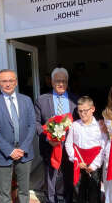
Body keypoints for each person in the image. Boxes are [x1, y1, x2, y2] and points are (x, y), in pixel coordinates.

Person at [0, 69, 36, 203]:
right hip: (3, 153)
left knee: (24, 190)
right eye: (4, 81)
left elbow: (32, 126)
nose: (7, 84)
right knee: (4, 192)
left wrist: (23, 148)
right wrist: (10, 150)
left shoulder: (26, 100)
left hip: (24, 152)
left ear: (16, 82)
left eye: (10, 81)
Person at [35, 67, 79, 203]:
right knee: (50, 179)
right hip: (50, 146)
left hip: (69, 147)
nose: (61, 84)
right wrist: (48, 138)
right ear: (52, 82)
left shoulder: (76, 100)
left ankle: (68, 200)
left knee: (68, 178)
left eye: (64, 81)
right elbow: (35, 122)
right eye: (57, 81)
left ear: (67, 82)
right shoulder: (41, 100)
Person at [65, 96, 106, 203]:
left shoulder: (99, 127)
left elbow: (103, 147)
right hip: (79, 165)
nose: (83, 113)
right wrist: (76, 160)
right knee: (78, 194)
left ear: (92, 109)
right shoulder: (75, 125)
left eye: (85, 111)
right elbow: (69, 144)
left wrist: (94, 165)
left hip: (94, 167)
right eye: (80, 111)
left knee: (94, 195)